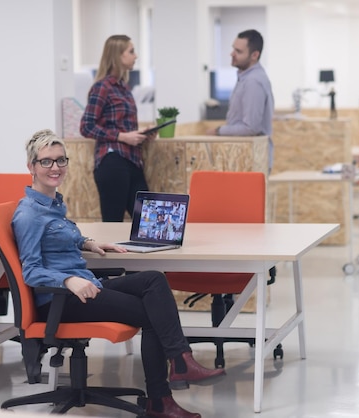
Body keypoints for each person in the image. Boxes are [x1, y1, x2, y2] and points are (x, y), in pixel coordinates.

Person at [12, 129, 225, 418]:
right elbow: (31, 270)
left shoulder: (52, 204)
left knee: (153, 278)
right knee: (154, 315)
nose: (56, 168)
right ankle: (162, 398)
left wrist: (87, 242)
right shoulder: (28, 214)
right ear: (31, 167)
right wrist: (68, 280)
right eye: (47, 162)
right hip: (60, 300)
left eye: (61, 160)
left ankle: (180, 362)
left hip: (84, 287)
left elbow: (60, 239)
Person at [80, 34, 155, 222]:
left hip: (132, 161)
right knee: (112, 223)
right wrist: (122, 137)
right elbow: (86, 126)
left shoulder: (124, 88)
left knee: (147, 222)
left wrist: (143, 134)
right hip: (112, 161)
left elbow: (123, 126)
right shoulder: (102, 87)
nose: (135, 56)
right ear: (118, 56)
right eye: (131, 51)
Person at [206, 29, 275, 170]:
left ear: (254, 55)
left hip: (251, 159)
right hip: (245, 157)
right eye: (233, 49)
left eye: (238, 51)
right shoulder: (245, 77)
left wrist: (218, 131)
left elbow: (251, 128)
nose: (232, 54)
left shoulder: (253, 81)